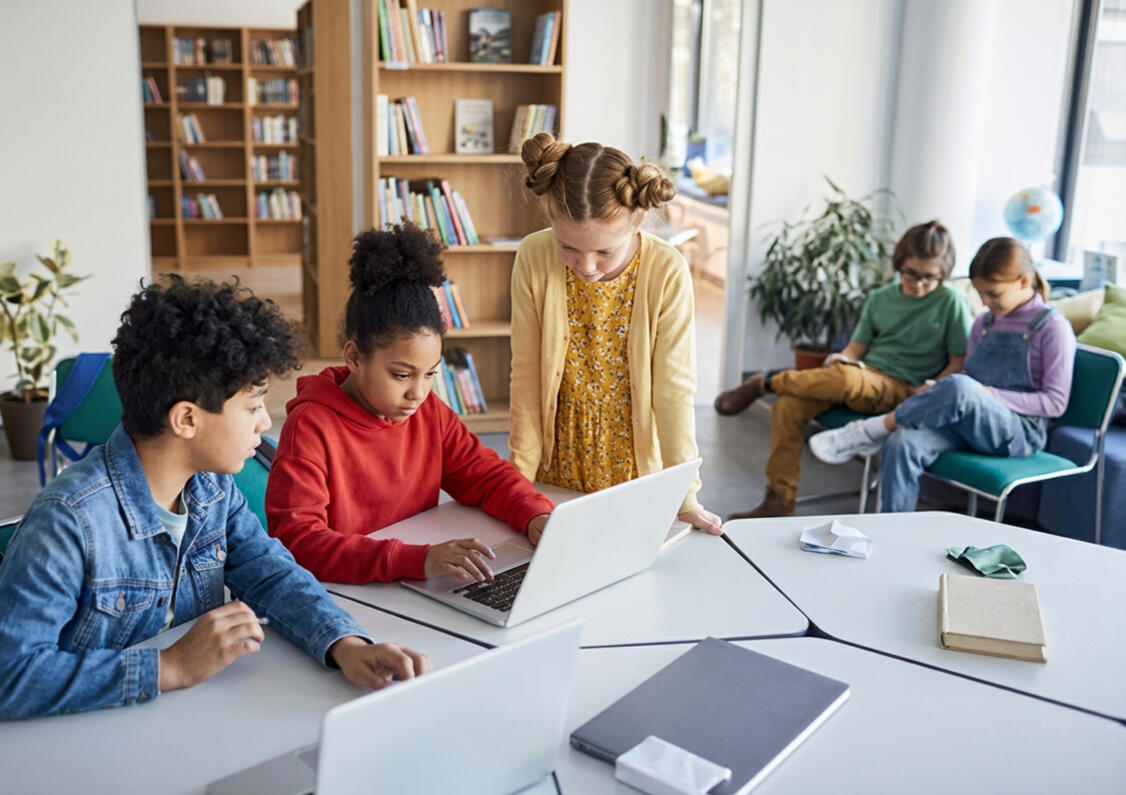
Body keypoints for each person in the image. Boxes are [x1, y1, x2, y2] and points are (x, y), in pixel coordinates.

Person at [0, 277, 430, 720]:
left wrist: (346, 644)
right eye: (252, 406)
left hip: (189, 719)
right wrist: (169, 667)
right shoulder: (68, 523)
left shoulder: (210, 488)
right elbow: (10, 674)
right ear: (186, 419)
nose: (264, 423)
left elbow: (271, 575)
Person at [266, 224, 554, 584]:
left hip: (410, 583)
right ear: (354, 357)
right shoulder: (311, 427)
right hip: (348, 592)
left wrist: (534, 514)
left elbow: (485, 475)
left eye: (430, 373)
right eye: (402, 375)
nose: (418, 393)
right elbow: (298, 543)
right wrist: (414, 560)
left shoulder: (428, 410)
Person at [508, 133, 722, 534]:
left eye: (605, 252)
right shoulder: (534, 256)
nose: (586, 266)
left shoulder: (666, 270)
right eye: (568, 247)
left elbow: (674, 391)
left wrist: (685, 497)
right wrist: (518, 484)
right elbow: (526, 378)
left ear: (638, 222)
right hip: (557, 464)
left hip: (635, 471)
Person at [715, 220, 973, 518]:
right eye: (911, 274)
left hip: (906, 388)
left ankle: (766, 383)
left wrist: (931, 389)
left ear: (943, 273)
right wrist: (842, 357)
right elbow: (856, 348)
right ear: (899, 263)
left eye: (930, 277)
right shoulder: (880, 298)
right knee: (789, 404)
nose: (919, 283)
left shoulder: (951, 301)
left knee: (847, 377)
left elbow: (958, 361)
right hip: (863, 374)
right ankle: (779, 500)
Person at [809, 237, 1076, 513]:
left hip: (1018, 433)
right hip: (968, 421)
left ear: (1023, 282)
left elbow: (1055, 403)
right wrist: (938, 390)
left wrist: (986, 394)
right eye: (980, 294)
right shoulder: (984, 322)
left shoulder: (1052, 327)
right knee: (902, 442)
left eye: (993, 294)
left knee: (961, 387)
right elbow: (968, 375)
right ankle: (893, 530)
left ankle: (871, 430)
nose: (985, 302)